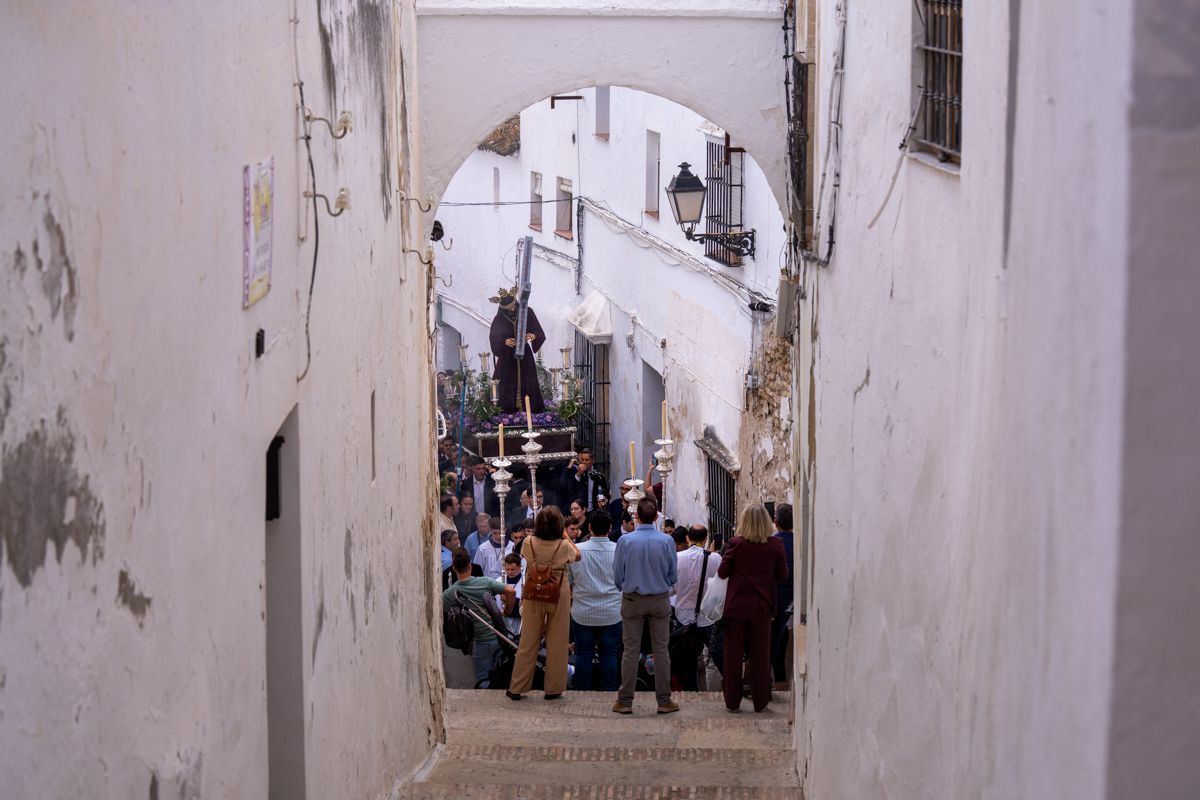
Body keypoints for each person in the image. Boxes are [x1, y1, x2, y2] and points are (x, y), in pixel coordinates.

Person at [718, 504, 789, 713]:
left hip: (736, 607)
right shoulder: (775, 546)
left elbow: (722, 573)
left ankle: (732, 701)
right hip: (762, 607)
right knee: (760, 655)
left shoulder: (736, 544)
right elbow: (783, 575)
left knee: (733, 655)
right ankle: (760, 701)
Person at [611, 496, 679, 715]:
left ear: (636, 516)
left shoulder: (626, 541)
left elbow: (617, 575)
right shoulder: (667, 541)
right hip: (659, 597)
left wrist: (627, 586)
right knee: (661, 650)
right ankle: (664, 700)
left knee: (630, 650)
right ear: (657, 515)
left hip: (632, 598)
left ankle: (625, 700)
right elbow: (672, 575)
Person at [507, 506, 581, 701]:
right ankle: (554, 688)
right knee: (557, 641)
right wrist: (565, 535)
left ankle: (517, 687)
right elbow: (578, 556)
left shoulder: (529, 542)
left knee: (528, 640)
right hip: (558, 592)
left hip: (534, 591)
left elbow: (523, 555)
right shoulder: (563, 545)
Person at [442, 548, 515, 688]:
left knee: (483, 680)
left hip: (480, 642)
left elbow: (442, 610)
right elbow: (510, 591)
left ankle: (488, 706)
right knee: (505, 673)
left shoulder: (451, 593)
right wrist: (507, 611)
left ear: (453, 568)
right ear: (470, 565)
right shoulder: (485, 582)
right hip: (501, 637)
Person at [568, 510, 621, 691]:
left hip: (584, 612)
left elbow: (569, 581)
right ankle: (608, 691)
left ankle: (583, 691)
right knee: (609, 655)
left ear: (589, 528)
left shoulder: (577, 552)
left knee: (583, 654)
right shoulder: (619, 550)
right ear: (610, 528)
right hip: (611, 612)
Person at [671, 524, 721, 691]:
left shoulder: (677, 558)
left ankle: (690, 692)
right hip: (707, 617)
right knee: (714, 657)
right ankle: (714, 692)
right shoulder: (715, 559)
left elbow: (671, 588)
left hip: (684, 618)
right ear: (706, 539)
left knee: (687, 661)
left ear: (687, 539)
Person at [488, 287, 547, 413]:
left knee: (529, 384)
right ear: (503, 310)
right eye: (509, 309)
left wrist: (533, 335)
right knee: (507, 387)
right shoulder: (498, 320)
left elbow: (538, 331)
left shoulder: (527, 313)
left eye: (513, 306)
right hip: (507, 360)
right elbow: (494, 340)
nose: (512, 310)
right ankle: (507, 415)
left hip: (525, 357)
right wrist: (504, 342)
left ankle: (532, 414)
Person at [770, 503, 796, 687]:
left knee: (772, 647)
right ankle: (782, 684)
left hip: (775, 602)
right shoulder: (800, 542)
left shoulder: (771, 543)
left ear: (775, 522)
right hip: (794, 602)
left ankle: (771, 686)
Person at [473, 516, 512, 581]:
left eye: (501, 533)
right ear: (490, 531)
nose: (498, 536)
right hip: (487, 586)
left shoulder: (512, 547)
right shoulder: (483, 548)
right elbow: (477, 571)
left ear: (505, 530)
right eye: (495, 533)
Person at [501, 552, 524, 635]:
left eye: (513, 569)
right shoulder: (499, 581)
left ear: (520, 567)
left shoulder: (525, 582)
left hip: (518, 623)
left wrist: (510, 600)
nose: (509, 572)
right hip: (502, 623)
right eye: (507, 569)